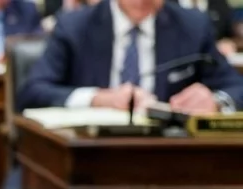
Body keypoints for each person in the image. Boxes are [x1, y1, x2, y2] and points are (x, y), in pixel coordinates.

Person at [17, 0, 243, 113]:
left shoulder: (192, 26)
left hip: (169, 156)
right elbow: (32, 92)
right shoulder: (74, 26)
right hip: (90, 153)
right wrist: (98, 99)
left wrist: (216, 101)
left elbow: (236, 87)